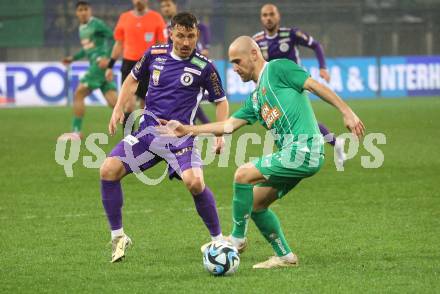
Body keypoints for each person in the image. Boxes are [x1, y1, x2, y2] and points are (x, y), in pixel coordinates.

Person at [159, 36, 365, 269]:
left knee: (243, 174)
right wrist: (188, 129)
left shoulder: (278, 68)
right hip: (294, 154)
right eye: (232, 63)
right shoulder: (255, 99)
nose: (234, 68)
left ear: (254, 54)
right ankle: (285, 257)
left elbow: (314, 85)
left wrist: (346, 112)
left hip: (305, 149)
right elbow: (228, 126)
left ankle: (236, 240)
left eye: (237, 61)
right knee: (255, 205)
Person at [100, 12, 229, 263]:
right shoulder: (154, 54)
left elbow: (221, 102)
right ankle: (118, 237)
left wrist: (219, 133)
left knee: (194, 183)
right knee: (108, 169)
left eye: (190, 36)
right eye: (180, 35)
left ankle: (218, 240)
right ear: (171, 33)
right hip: (147, 135)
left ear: (197, 36)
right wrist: (118, 108)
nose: (185, 42)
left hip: (180, 138)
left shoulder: (205, 67)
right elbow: (131, 80)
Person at [253, 3, 346, 167]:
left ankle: (290, 153)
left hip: (294, 86)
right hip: (272, 89)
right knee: (285, 121)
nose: (268, 18)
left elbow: (316, 45)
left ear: (278, 16)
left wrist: (323, 67)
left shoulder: (291, 34)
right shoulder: (257, 40)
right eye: (265, 15)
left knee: (290, 121)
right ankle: (335, 142)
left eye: (271, 14)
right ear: (261, 18)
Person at [58, 1, 117, 140]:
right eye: (80, 10)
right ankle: (138, 128)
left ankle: (76, 132)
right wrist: (72, 58)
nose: (83, 12)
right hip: (96, 66)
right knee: (114, 103)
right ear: (76, 13)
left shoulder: (96, 24)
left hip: (99, 65)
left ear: (90, 11)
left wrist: (108, 58)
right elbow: (87, 49)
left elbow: (115, 38)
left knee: (78, 94)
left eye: (85, 9)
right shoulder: (81, 28)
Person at [105, 0, 167, 125]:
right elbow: (119, 43)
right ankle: (127, 138)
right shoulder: (124, 17)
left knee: (147, 105)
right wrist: (110, 66)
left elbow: (161, 44)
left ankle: (144, 135)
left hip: (149, 64)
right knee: (129, 105)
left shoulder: (156, 18)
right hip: (129, 64)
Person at [159, 0, 212, 124]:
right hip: (178, 63)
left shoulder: (185, 20)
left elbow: (203, 27)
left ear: (175, 6)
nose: (165, 9)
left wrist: (206, 47)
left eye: (168, 5)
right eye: (163, 6)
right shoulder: (166, 26)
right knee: (188, 95)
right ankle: (208, 125)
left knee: (189, 94)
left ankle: (211, 121)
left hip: (194, 61)